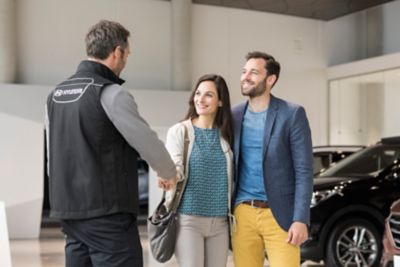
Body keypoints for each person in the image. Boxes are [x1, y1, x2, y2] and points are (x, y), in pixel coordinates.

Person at [45, 20, 177, 267]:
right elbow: (146, 140)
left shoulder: (55, 95)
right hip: (107, 216)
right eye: (127, 54)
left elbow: (53, 158)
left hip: (69, 214)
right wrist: (169, 172)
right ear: (117, 52)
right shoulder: (110, 93)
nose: (126, 61)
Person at [231, 51, 313, 267]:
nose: (246, 77)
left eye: (254, 72)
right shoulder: (234, 116)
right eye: (244, 71)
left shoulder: (292, 113)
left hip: (281, 216)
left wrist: (300, 219)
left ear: (270, 80)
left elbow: (304, 171)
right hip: (243, 213)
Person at [164, 74, 234, 267]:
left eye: (208, 95)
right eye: (198, 93)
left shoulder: (226, 136)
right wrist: (170, 177)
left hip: (220, 223)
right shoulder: (180, 131)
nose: (200, 99)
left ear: (220, 101)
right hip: (189, 220)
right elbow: (176, 166)